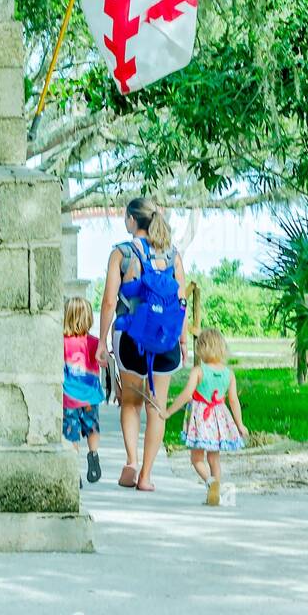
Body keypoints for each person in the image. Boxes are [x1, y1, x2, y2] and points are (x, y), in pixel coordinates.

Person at [96, 197, 187, 491]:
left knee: (132, 403)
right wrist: (182, 340)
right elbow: (182, 301)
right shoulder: (173, 255)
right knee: (157, 407)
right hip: (165, 341)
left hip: (131, 338)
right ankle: (147, 476)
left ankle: (132, 462)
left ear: (133, 221)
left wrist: (101, 341)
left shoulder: (121, 253)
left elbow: (110, 301)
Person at [164, 327, 247, 505]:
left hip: (201, 420)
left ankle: (210, 484)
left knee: (196, 459)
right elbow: (233, 401)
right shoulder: (228, 374)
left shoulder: (198, 371)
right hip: (219, 420)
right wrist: (240, 424)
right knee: (214, 459)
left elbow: (187, 394)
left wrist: (169, 411)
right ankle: (215, 492)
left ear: (201, 348)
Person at [62, 296, 103, 483]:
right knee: (92, 428)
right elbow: (104, 362)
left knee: (71, 434)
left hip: (69, 398)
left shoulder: (61, 343)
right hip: (90, 398)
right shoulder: (94, 342)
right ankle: (93, 454)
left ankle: (73, 469)